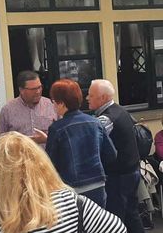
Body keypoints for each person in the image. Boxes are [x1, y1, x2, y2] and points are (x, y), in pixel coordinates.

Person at [87, 79, 149, 233]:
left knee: (116, 218)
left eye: (91, 95)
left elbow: (90, 142)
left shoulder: (106, 119)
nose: (87, 98)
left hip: (118, 175)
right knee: (132, 212)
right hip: (132, 171)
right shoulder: (121, 111)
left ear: (103, 97)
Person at [46, 79, 116, 208]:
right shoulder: (95, 122)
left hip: (71, 189)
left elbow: (50, 164)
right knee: (97, 225)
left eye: (53, 101)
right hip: (98, 185)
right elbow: (111, 154)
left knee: (76, 227)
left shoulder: (57, 128)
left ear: (61, 103)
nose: (53, 105)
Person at [0, 71, 57, 144]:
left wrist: (46, 139)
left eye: (39, 87)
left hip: (46, 154)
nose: (38, 91)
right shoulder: (8, 110)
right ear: (21, 90)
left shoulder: (51, 105)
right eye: (33, 89)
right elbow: (1, 142)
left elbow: (62, 136)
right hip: (20, 154)